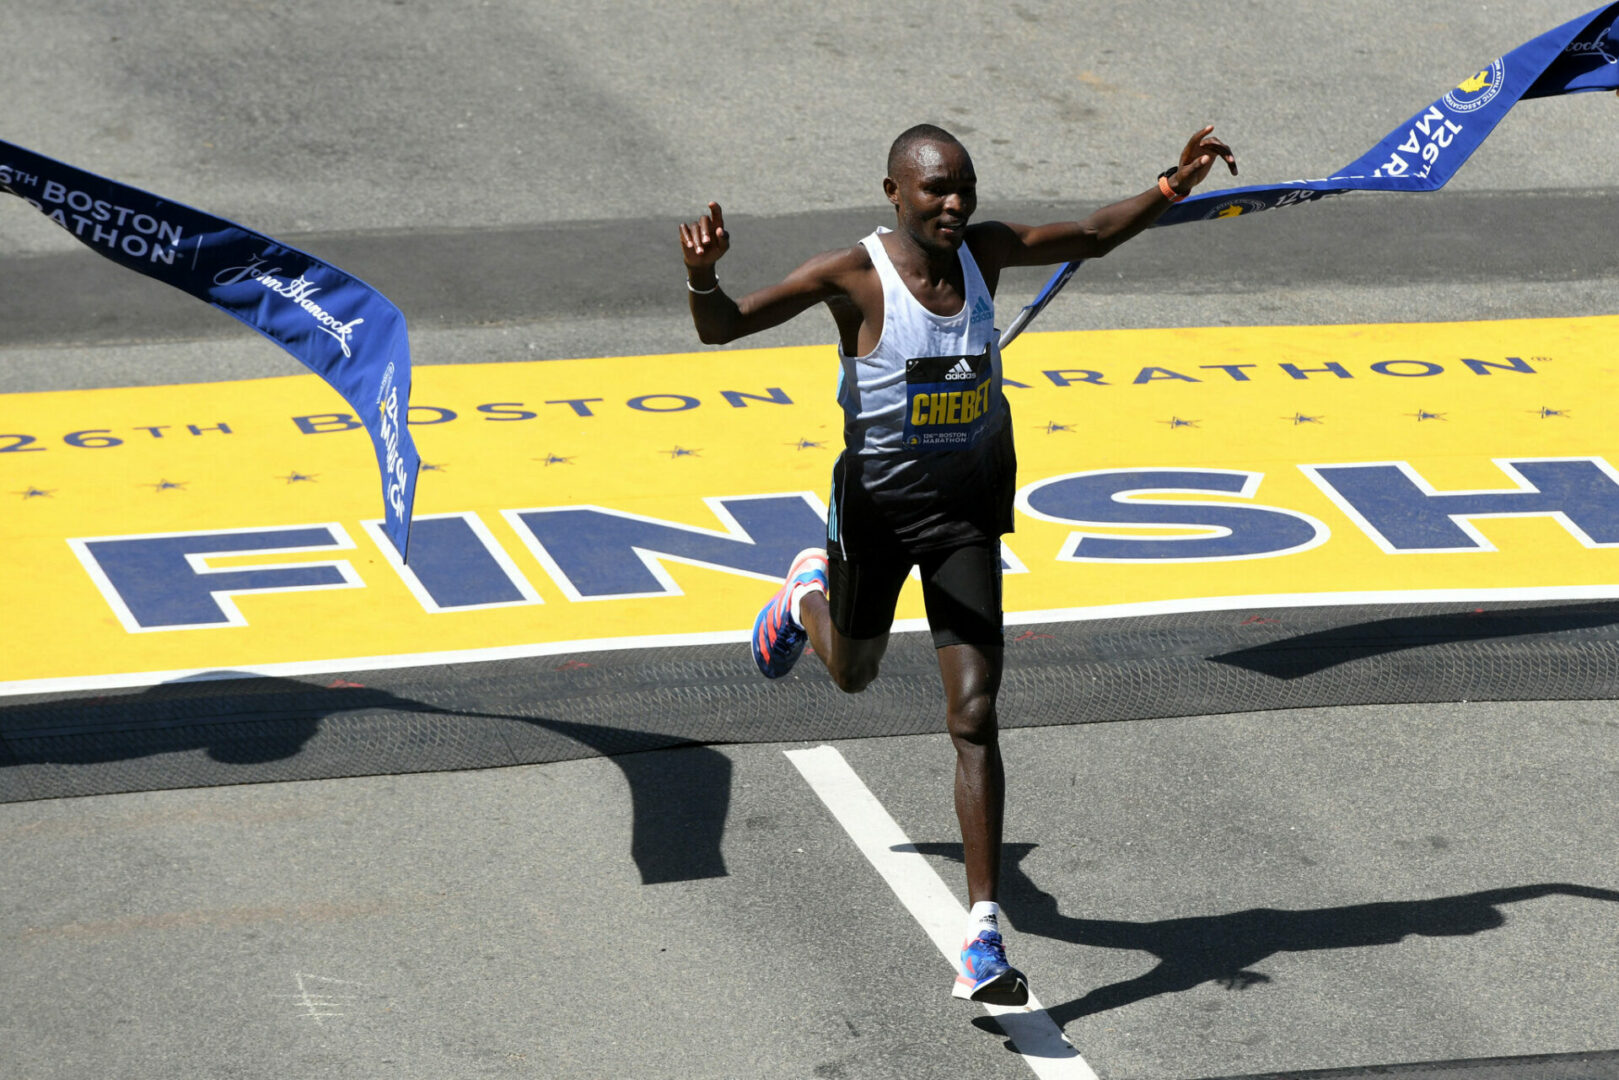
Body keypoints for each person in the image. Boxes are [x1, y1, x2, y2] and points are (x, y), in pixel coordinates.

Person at [678, 123, 1237, 1006]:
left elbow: (1091, 235)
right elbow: (722, 329)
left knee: (973, 714)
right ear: (893, 193)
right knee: (855, 675)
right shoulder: (850, 277)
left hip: (965, 512)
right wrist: (703, 276)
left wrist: (1171, 184)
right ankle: (803, 599)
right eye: (936, 190)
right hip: (876, 513)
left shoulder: (984, 252)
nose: (954, 205)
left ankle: (981, 932)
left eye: (964, 188)